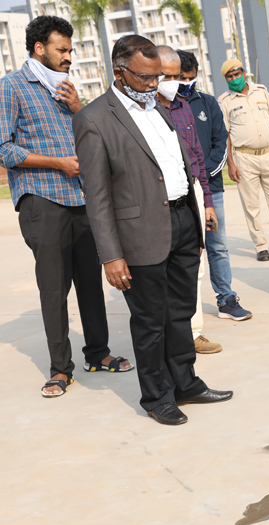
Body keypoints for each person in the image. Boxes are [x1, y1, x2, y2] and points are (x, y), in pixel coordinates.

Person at [74, 35, 233, 425]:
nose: (153, 84)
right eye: (145, 77)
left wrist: (196, 215)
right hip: (139, 235)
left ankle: (185, 383)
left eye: (157, 76)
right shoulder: (94, 118)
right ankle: (157, 396)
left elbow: (177, 165)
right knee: (150, 322)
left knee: (181, 313)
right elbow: (97, 195)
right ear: (120, 72)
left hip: (182, 222)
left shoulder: (159, 107)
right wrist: (111, 255)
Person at [0, 16, 133, 398]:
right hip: (42, 199)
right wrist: (58, 163)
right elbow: (4, 149)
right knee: (54, 288)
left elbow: (91, 135)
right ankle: (60, 369)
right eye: (62, 49)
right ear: (39, 48)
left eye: (71, 50)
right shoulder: (11, 86)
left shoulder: (65, 88)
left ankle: (98, 353)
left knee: (91, 282)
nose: (69, 57)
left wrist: (78, 107)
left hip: (81, 197)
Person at [156, 45, 232, 355]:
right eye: (167, 76)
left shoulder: (184, 107)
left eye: (178, 76)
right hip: (159, 198)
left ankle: (194, 333)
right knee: (161, 267)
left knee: (194, 265)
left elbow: (198, 159)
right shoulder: (144, 112)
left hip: (193, 193)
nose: (174, 82)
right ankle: (168, 335)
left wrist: (207, 201)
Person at [176, 50, 253, 325]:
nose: (186, 82)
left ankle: (226, 299)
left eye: (190, 77)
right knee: (186, 251)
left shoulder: (208, 103)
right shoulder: (163, 107)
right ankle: (187, 310)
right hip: (179, 192)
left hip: (211, 188)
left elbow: (221, 143)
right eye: (181, 78)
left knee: (218, 246)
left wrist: (202, 175)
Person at [218, 59, 269, 261]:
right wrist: (231, 164)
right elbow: (225, 135)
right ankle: (261, 246)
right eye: (230, 77)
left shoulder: (261, 92)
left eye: (237, 74)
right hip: (244, 159)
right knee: (251, 206)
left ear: (244, 73)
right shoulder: (225, 102)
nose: (234, 79)